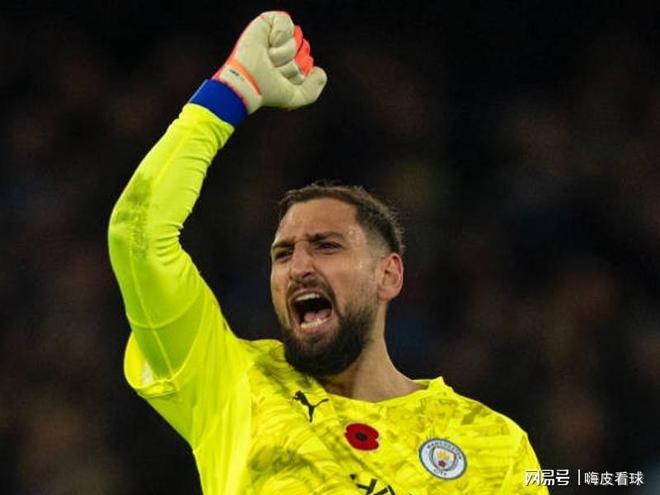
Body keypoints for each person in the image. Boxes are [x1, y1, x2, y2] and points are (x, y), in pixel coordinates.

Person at [108, 11, 548, 495]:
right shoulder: (231, 383)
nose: (298, 267)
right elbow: (138, 234)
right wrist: (229, 93)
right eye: (282, 254)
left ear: (389, 275)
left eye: (326, 246)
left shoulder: (493, 444)